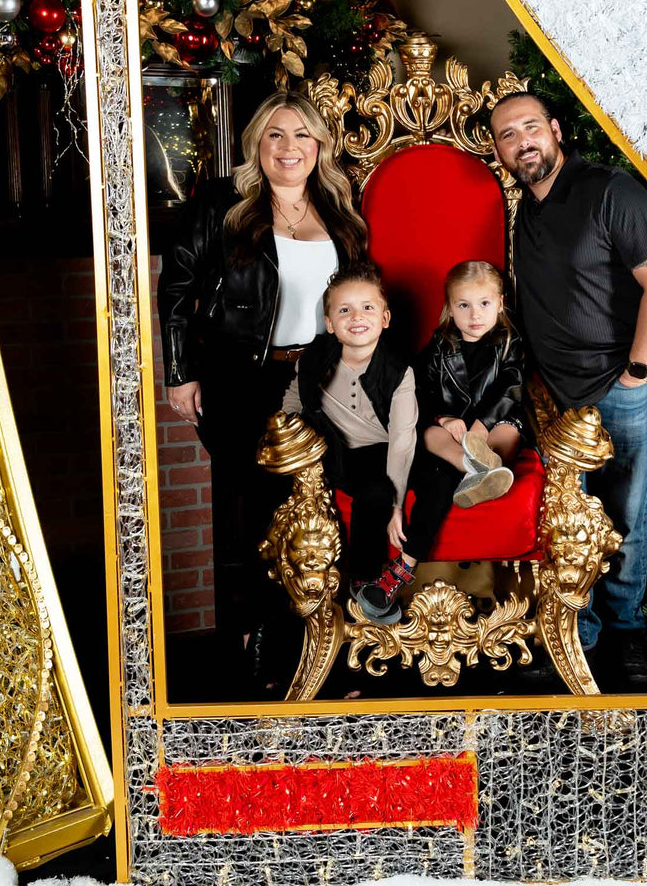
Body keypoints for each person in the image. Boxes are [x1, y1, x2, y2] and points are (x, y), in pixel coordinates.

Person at [157, 89, 367, 683]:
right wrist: (181, 372)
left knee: (309, 508)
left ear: (319, 144)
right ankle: (245, 642)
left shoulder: (340, 207)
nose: (288, 147)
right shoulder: (226, 201)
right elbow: (176, 287)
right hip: (239, 375)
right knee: (245, 512)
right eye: (275, 134)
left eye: (301, 134)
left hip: (317, 379)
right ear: (256, 145)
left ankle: (301, 636)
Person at [489, 91, 647, 688]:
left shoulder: (609, 190)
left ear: (554, 130)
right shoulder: (526, 208)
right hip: (556, 397)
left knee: (625, 514)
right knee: (569, 517)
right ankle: (581, 633)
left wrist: (637, 373)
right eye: (506, 135)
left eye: (529, 128)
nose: (522, 142)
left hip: (622, 389)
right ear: (499, 150)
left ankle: (625, 633)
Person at [356, 260, 526, 621]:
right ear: (449, 308)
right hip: (452, 433)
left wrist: (481, 425)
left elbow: (511, 386)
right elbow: (415, 388)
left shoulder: (510, 342)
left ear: (499, 304)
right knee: (429, 434)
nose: (474, 315)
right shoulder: (440, 345)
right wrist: (444, 418)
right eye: (463, 305)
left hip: (493, 426)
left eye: (483, 304)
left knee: (508, 433)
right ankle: (474, 470)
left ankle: (484, 462)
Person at [280, 263, 418, 583]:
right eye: (345, 310)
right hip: (331, 448)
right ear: (329, 324)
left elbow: (401, 441)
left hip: (380, 451)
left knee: (377, 491)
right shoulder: (314, 358)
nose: (357, 317)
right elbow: (293, 401)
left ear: (384, 318)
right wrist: (291, 434)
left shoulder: (399, 372)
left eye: (368, 308)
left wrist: (398, 503)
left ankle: (363, 580)